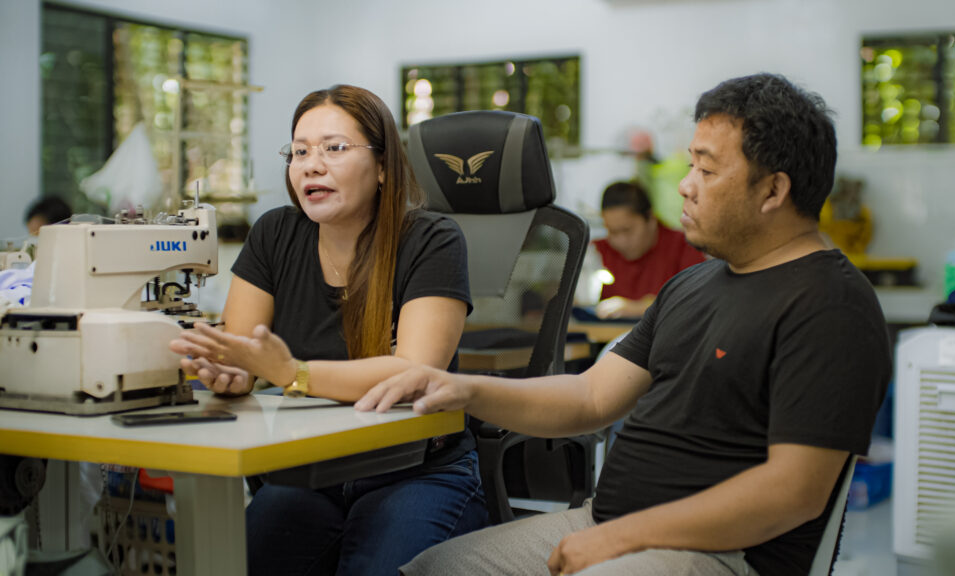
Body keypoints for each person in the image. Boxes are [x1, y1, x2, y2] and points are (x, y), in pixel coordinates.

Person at [355, 73, 892, 576]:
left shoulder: (831, 306)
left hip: (719, 553)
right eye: (690, 166)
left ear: (773, 191)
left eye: (706, 171)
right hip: (607, 522)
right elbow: (591, 397)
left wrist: (622, 538)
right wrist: (461, 388)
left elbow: (794, 492)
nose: (686, 187)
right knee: (432, 568)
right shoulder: (693, 285)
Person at [168, 84, 487, 575]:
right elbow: (242, 353)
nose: (310, 166)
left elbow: (414, 372)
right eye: (299, 152)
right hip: (310, 472)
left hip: (414, 471)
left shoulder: (432, 240)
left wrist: (292, 373)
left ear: (383, 166)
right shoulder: (275, 233)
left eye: (334, 148)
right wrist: (232, 375)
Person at [592, 180, 704, 319]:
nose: (620, 241)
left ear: (650, 219)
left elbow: (695, 302)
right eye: (612, 232)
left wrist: (636, 308)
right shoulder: (596, 252)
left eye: (627, 230)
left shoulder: (684, 247)